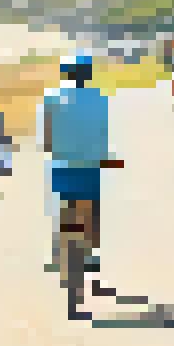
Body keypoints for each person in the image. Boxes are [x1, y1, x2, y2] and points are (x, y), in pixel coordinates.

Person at [40, 52, 118, 282]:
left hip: (62, 166)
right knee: (92, 212)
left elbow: (46, 138)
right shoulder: (98, 98)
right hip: (90, 167)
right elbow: (102, 133)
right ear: (88, 74)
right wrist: (104, 157)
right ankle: (91, 254)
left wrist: (55, 149)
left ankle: (59, 254)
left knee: (62, 209)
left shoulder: (52, 97)